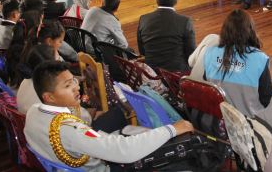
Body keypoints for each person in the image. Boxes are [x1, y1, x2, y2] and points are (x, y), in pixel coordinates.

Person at [24, 61, 194, 171]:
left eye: (74, 81)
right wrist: (171, 129)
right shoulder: (71, 130)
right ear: (49, 97)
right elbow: (126, 151)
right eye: (68, 85)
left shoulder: (33, 112)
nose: (77, 88)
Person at [203, 9, 272, 116]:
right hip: (249, 123)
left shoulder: (210, 52)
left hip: (217, 117)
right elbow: (266, 99)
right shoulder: (260, 59)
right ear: (250, 31)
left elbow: (206, 83)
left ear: (224, 30)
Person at [137, 0, 195, 72]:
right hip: (177, 72)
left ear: (157, 0)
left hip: (152, 72)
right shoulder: (185, 21)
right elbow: (191, 52)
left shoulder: (143, 19)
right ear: (176, 1)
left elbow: (142, 50)